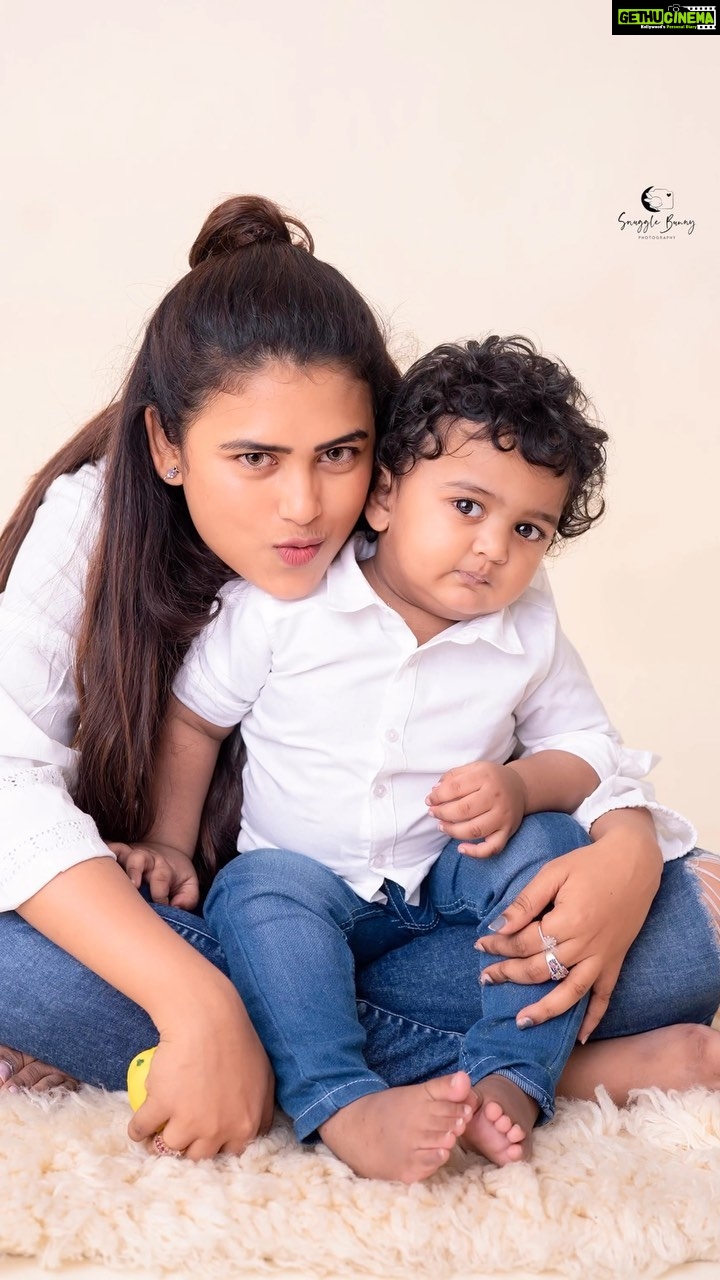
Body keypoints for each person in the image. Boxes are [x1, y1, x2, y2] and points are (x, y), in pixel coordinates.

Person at [0, 197, 718, 1161]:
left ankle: (328, 1061)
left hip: (420, 912)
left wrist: (626, 859)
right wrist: (196, 1001)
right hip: (230, 924)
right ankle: (547, 1070)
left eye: (339, 455)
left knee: (687, 927)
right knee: (21, 961)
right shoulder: (91, 526)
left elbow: (563, 738)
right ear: (167, 446)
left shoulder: (447, 551)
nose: (304, 506)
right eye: (253, 459)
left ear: (386, 462)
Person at [117, 336, 698, 1182]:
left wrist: (518, 783)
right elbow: (196, 720)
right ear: (385, 494)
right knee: (254, 894)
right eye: (468, 506)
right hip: (308, 884)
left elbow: (586, 749)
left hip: (446, 881)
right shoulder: (285, 609)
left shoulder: (526, 630)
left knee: (550, 846)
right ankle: (343, 1101)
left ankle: (512, 1075)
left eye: (526, 528)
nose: (494, 547)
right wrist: (170, 842)